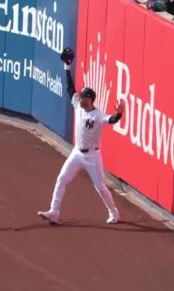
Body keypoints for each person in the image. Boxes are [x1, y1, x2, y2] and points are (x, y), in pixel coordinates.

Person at [38, 48, 124, 225]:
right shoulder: (78, 105)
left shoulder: (98, 115)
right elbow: (70, 88)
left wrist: (120, 113)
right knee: (61, 179)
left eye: (83, 96)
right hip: (77, 153)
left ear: (90, 99)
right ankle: (54, 211)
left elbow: (113, 119)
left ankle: (114, 213)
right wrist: (66, 67)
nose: (80, 98)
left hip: (93, 156)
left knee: (100, 187)